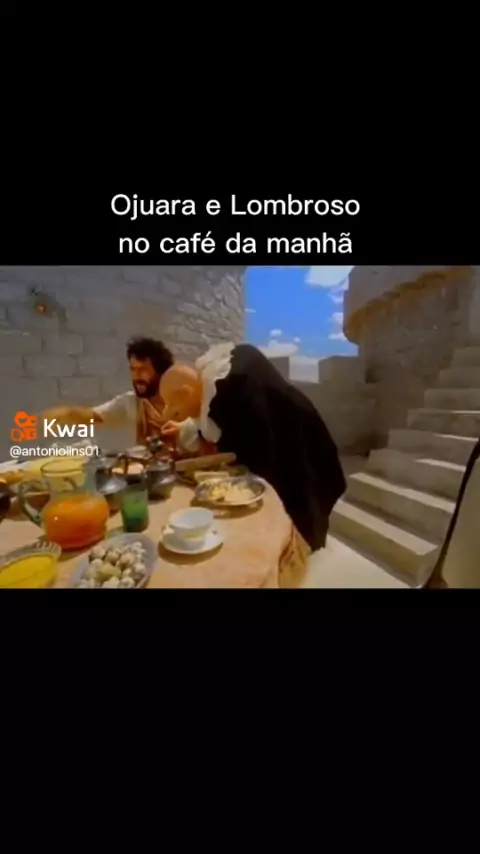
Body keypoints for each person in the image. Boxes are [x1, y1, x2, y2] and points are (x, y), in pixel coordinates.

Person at [160, 342, 347, 551]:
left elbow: (256, 453)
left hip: (295, 440)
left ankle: (298, 549)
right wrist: (185, 427)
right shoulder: (218, 375)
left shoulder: (235, 388)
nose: (181, 416)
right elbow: (211, 417)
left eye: (177, 410)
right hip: (286, 431)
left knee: (300, 500)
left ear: (186, 392)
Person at [42, 337, 174, 444]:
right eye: (133, 369)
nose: (136, 376)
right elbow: (96, 416)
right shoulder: (131, 402)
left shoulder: (180, 400)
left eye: (143, 370)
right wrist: (68, 413)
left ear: (160, 371)